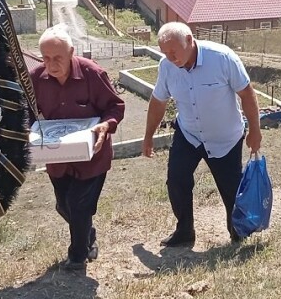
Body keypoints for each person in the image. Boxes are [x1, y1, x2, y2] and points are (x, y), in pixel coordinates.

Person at [142, 22, 264, 247]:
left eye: (174, 52)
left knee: (230, 189)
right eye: (165, 53)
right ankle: (185, 231)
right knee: (176, 181)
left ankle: (237, 229)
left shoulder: (222, 58)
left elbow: (247, 94)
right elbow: (159, 101)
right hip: (188, 134)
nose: (171, 58)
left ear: (189, 40)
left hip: (225, 138)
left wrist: (255, 130)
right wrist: (148, 136)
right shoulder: (166, 66)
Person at [29, 25, 126, 273]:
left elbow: (115, 106)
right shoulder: (37, 78)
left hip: (92, 156)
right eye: (46, 58)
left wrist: (106, 125)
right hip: (58, 158)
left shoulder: (92, 74)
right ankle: (88, 236)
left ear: (71, 52)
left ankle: (77, 256)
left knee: (78, 204)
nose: (51, 64)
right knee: (64, 206)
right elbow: (26, 113)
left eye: (58, 58)